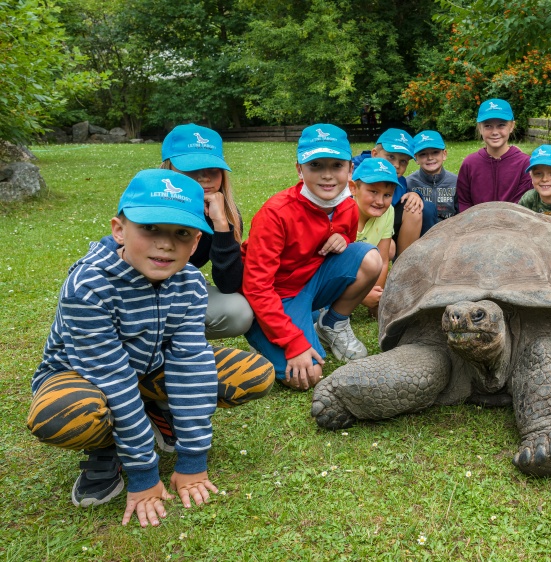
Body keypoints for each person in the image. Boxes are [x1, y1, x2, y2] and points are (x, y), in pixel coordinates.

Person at [26, 169, 274, 524]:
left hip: (147, 366)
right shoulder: (88, 286)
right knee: (62, 415)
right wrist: (143, 474)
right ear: (118, 230)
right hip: (85, 376)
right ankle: (103, 448)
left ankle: (154, 408)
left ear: (194, 244)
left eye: (182, 233)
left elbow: (190, 363)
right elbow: (112, 378)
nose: (166, 244)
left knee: (254, 373)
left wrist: (193, 461)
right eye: (151, 228)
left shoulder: (189, 281)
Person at [242, 124, 381, 391]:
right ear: (299, 169)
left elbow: (345, 245)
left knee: (369, 258)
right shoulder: (275, 213)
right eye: (316, 165)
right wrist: (293, 342)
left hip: (311, 283)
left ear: (350, 170)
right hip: (278, 296)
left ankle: (332, 323)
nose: (327, 176)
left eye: (336, 166)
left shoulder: (348, 206)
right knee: (308, 376)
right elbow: (256, 286)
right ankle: (263, 332)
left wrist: (344, 238)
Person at [159, 124, 253, 340]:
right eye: (192, 169)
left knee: (238, 311)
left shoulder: (224, 213)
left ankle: (174, 341)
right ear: (169, 168)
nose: (205, 177)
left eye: (212, 169)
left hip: (176, 292)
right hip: (133, 294)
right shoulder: (152, 206)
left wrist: (221, 224)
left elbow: (229, 285)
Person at [351, 128, 430, 255]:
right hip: (352, 227)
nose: (396, 165)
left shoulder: (400, 181)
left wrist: (415, 194)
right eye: (391, 157)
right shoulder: (354, 169)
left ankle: (403, 263)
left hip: (382, 226)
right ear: (375, 154)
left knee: (415, 208)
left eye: (403, 161)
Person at [456, 98, 533, 212]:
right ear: (480, 128)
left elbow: (523, 204)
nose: (495, 132)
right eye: (488, 126)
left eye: (501, 125)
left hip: (514, 226)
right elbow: (463, 202)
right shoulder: (470, 163)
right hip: (476, 225)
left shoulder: (525, 164)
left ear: (511, 126)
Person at [350, 158, 400, 318]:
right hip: (336, 272)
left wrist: (376, 295)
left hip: (364, 265)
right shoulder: (342, 213)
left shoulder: (388, 211)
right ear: (353, 188)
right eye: (373, 192)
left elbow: (383, 260)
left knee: (384, 251)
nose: (380, 201)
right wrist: (362, 296)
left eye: (387, 195)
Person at [406, 130, 458, 224]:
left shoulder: (456, 182)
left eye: (435, 152)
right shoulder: (408, 183)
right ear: (416, 158)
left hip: (451, 232)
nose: (430, 157)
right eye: (423, 154)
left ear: (444, 154)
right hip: (421, 233)